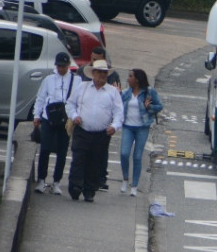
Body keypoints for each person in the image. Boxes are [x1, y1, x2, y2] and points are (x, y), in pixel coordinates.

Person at [66, 59, 123, 202]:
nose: (102, 75)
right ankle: (75, 187)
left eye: (104, 73)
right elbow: (70, 104)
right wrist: (74, 116)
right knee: (78, 160)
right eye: (99, 72)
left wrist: (114, 126)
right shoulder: (82, 87)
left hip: (101, 134)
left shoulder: (112, 92)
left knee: (95, 162)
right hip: (82, 131)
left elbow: (119, 112)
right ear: (93, 73)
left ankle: (90, 190)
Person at [31, 52, 76, 196]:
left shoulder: (76, 80)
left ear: (68, 65)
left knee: (62, 152)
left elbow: (77, 99)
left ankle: (56, 181)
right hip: (49, 117)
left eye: (63, 66)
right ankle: (41, 180)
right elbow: (41, 97)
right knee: (45, 149)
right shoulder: (49, 80)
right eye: (58, 66)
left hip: (65, 119)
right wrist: (37, 115)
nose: (61, 69)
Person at [119, 68, 162, 197]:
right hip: (128, 126)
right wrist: (117, 94)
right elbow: (117, 105)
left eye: (130, 76)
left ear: (137, 79)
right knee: (124, 153)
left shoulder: (148, 92)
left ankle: (134, 186)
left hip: (142, 127)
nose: (128, 79)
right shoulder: (126, 93)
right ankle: (125, 179)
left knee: (137, 156)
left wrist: (149, 107)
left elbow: (159, 106)